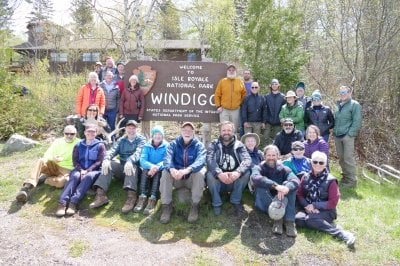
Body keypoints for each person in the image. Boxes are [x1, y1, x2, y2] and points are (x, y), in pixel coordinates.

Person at [296, 151, 356, 247]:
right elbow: (300, 194)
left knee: (310, 220)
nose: (318, 164)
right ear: (311, 162)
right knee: (298, 219)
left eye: (321, 162)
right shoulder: (305, 177)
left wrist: (315, 205)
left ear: (325, 165)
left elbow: (333, 202)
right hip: (308, 208)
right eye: (315, 162)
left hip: (327, 211)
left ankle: (342, 234)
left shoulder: (331, 180)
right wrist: (307, 205)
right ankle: (321, 223)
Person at [89, 120, 146, 213]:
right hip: (122, 167)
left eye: (133, 128)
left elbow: (139, 152)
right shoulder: (121, 140)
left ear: (137, 129)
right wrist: (107, 159)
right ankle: (101, 195)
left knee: (132, 167)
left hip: (136, 169)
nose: (131, 130)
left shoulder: (142, 140)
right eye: (129, 128)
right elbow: (113, 150)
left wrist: (130, 161)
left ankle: (131, 197)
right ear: (125, 129)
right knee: (108, 165)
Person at [15, 125, 80, 203]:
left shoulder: (79, 142)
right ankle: (26, 188)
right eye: (67, 133)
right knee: (41, 160)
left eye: (72, 134)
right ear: (63, 133)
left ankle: (45, 179)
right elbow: (47, 154)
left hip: (67, 170)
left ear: (75, 134)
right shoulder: (58, 141)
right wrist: (53, 158)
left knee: (60, 183)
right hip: (54, 164)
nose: (69, 135)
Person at [159, 122, 206, 224]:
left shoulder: (199, 145)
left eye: (190, 130)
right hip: (177, 178)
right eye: (185, 130)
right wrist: (172, 169)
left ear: (193, 132)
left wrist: (187, 169)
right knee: (165, 172)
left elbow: (201, 161)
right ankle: (166, 206)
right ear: (181, 132)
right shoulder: (173, 144)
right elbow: (167, 159)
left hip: (190, 180)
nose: (187, 132)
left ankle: (195, 206)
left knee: (200, 173)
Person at [56, 124, 106, 217]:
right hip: (79, 169)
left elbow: (99, 161)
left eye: (93, 132)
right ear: (84, 133)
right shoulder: (78, 145)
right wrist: (81, 170)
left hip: (94, 171)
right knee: (74, 176)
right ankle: (62, 203)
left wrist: (88, 170)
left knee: (88, 176)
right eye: (88, 131)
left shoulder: (100, 145)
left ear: (96, 133)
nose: (90, 133)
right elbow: (75, 161)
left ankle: (73, 203)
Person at [251, 145, 300, 237]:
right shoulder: (259, 167)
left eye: (273, 155)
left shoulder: (283, 168)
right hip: (264, 201)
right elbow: (255, 177)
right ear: (264, 156)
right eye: (268, 155)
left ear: (278, 156)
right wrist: (276, 186)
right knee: (261, 185)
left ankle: (290, 222)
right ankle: (278, 219)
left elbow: (295, 179)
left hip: (281, 199)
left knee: (290, 186)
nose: (271, 158)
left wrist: (286, 188)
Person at [206, 121, 251, 216]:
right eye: (224, 130)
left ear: (233, 131)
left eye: (229, 130)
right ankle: (216, 203)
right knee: (210, 174)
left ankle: (235, 200)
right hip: (219, 180)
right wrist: (219, 173)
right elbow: (209, 160)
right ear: (220, 132)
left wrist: (238, 172)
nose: (226, 132)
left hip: (234, 180)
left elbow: (247, 160)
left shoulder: (239, 145)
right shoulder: (214, 144)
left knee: (246, 172)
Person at [134, 126, 168, 215]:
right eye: (156, 134)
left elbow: (166, 160)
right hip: (148, 169)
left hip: (160, 169)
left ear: (162, 136)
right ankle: (142, 197)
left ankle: (153, 198)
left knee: (158, 174)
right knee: (144, 171)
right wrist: (152, 167)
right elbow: (143, 160)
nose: (157, 136)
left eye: (160, 134)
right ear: (152, 136)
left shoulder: (166, 146)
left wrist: (156, 167)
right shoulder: (147, 145)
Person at [333, 86, 362, 188]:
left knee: (348, 158)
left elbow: (357, 121)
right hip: (337, 135)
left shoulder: (355, 105)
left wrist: (350, 134)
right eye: (341, 92)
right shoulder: (338, 105)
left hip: (347, 136)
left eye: (345, 92)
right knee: (341, 158)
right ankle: (345, 178)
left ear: (350, 93)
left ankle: (352, 182)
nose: (342, 94)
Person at [214, 64, 246, 134]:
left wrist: (239, 103)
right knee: (223, 128)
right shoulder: (222, 81)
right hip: (224, 110)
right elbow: (217, 94)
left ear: (235, 72)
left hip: (236, 110)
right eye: (230, 70)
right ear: (227, 71)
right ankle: (223, 144)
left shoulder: (240, 82)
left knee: (233, 129)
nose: (231, 71)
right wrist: (218, 106)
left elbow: (244, 94)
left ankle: (233, 144)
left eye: (233, 70)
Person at [263, 79, 286, 144]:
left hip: (278, 122)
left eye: (276, 84)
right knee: (265, 137)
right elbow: (265, 110)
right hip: (268, 121)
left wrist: (282, 121)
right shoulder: (267, 96)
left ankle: (276, 152)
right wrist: (264, 121)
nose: (274, 85)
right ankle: (265, 151)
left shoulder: (283, 97)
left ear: (278, 85)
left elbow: (284, 110)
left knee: (277, 138)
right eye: (273, 84)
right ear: (271, 86)